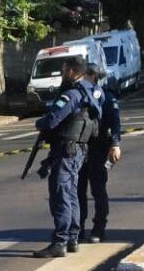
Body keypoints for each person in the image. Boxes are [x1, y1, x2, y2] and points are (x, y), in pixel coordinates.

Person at [31, 56, 100, 258]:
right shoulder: (87, 91)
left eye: (63, 70)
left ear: (71, 71)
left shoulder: (70, 95)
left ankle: (60, 241)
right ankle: (72, 238)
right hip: (78, 151)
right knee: (71, 194)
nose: (62, 74)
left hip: (66, 151)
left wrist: (40, 123)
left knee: (61, 195)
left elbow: (52, 120)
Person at [77, 65, 122, 244]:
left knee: (98, 190)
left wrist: (115, 144)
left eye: (86, 75)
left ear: (94, 76)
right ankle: (77, 227)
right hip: (81, 149)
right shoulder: (80, 94)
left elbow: (115, 122)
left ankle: (99, 228)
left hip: (99, 149)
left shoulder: (106, 97)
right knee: (78, 190)